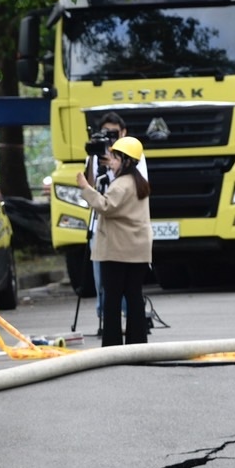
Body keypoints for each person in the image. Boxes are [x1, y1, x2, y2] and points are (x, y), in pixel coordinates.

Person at [77, 135, 152, 347]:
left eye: (115, 158)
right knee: (134, 296)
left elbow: (105, 206)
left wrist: (85, 187)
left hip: (117, 251)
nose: (111, 162)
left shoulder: (121, 185)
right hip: (138, 250)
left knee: (112, 298)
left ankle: (112, 345)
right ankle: (138, 344)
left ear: (126, 161)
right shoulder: (138, 181)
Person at [84, 113, 148, 321]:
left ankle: (126, 321)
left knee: (124, 288)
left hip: (123, 235)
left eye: (114, 133)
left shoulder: (132, 159)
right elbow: (92, 187)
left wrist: (114, 165)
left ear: (123, 132)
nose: (110, 138)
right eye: (106, 133)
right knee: (104, 284)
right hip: (101, 229)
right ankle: (106, 319)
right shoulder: (97, 154)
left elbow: (119, 195)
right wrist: (94, 160)